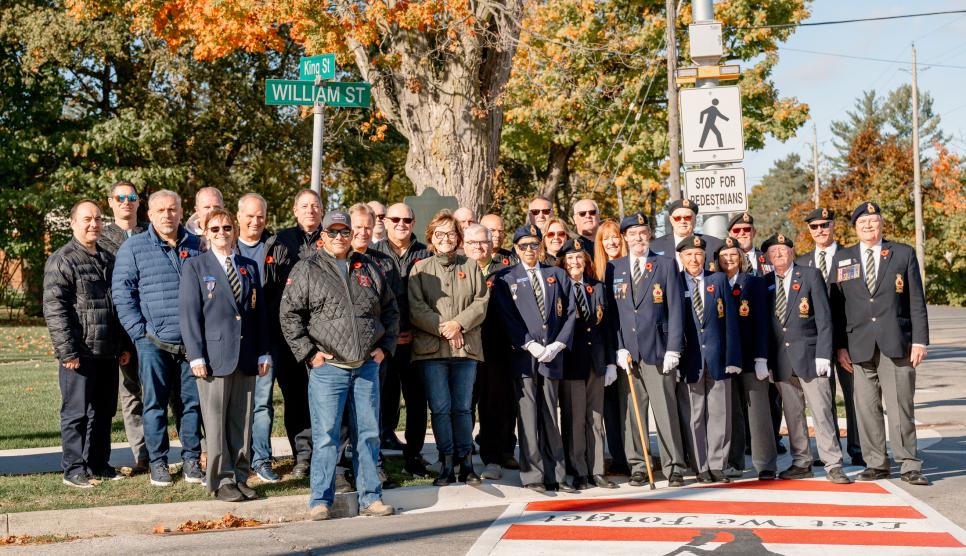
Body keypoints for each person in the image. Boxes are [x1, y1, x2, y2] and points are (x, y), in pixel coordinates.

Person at [280, 210, 400, 520]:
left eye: (343, 232)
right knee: (326, 436)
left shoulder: (369, 267)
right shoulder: (307, 269)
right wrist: (309, 353)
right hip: (328, 369)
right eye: (332, 232)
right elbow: (289, 315)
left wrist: (385, 347)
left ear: (351, 234)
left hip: (366, 367)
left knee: (368, 434)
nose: (339, 237)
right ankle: (320, 499)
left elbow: (391, 311)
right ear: (323, 236)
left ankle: (371, 497)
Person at [830, 202, 930, 486]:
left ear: (882, 224)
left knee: (901, 407)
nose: (868, 226)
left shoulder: (902, 253)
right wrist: (839, 346)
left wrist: (920, 340)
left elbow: (916, 301)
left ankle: (909, 464)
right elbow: (836, 308)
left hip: (897, 342)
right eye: (863, 223)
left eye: (873, 221)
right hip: (858, 345)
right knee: (866, 407)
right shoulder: (843, 258)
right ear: (855, 228)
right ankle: (876, 463)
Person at [113, 190, 204, 487]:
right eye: (161, 210)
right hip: (152, 342)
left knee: (190, 404)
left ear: (181, 212)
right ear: (149, 215)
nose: (167, 215)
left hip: (190, 342)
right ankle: (159, 462)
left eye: (173, 209)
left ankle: (191, 459)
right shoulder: (134, 248)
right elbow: (123, 295)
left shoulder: (197, 245)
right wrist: (140, 333)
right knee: (155, 404)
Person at [179, 208, 272, 501]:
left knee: (241, 420)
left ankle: (240, 476)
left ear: (234, 231)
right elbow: (189, 315)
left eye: (227, 228)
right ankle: (220, 480)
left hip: (246, 355)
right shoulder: (195, 266)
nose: (222, 233)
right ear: (206, 233)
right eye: (215, 229)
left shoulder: (248, 267)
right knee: (216, 422)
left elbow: (258, 315)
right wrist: (196, 356)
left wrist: (263, 352)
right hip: (213, 356)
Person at [44, 200, 128, 488]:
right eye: (86, 219)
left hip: (107, 350)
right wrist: (67, 351)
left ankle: (99, 463)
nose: (93, 224)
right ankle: (74, 469)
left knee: (104, 412)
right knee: (76, 413)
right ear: (73, 223)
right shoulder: (62, 259)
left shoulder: (107, 257)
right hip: (78, 353)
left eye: (97, 219)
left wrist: (122, 345)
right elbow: (55, 310)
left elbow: (117, 305)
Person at [493, 225, 577, 493]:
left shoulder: (557, 275)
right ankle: (533, 476)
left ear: (541, 246)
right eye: (523, 246)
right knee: (528, 417)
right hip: (523, 357)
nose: (529, 250)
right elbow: (506, 318)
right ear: (515, 249)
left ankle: (558, 474)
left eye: (534, 244)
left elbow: (571, 313)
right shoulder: (506, 278)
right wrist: (528, 343)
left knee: (551, 415)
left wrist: (559, 343)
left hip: (552, 355)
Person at [763, 234, 851, 485]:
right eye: (773, 252)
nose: (778, 254)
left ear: (792, 252)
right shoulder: (766, 282)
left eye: (783, 249)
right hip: (781, 360)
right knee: (793, 415)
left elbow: (825, 319)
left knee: (822, 412)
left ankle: (833, 464)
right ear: (768, 258)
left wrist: (825, 353)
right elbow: (765, 326)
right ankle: (801, 462)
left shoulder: (810, 276)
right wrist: (767, 361)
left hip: (812, 358)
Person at [408, 211, 489, 486]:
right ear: (431, 237)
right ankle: (445, 462)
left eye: (451, 234)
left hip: (465, 349)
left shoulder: (472, 266)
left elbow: (481, 302)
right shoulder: (420, 269)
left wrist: (459, 325)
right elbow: (416, 307)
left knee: (463, 408)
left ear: (458, 238)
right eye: (440, 234)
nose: (445, 238)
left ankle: (466, 463)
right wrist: (444, 327)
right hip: (432, 351)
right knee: (440, 408)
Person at [608, 213, 688, 488]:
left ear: (650, 234)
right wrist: (617, 347)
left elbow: (677, 309)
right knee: (633, 412)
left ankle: (674, 465)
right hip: (629, 353)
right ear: (625, 238)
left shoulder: (665, 265)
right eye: (632, 234)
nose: (638, 238)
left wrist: (674, 348)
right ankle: (639, 465)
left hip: (658, 350)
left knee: (665, 410)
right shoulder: (614, 268)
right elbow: (613, 315)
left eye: (642, 233)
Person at [796, 207, 863, 467]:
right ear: (809, 230)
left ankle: (858, 448)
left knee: (854, 395)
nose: (820, 230)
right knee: (823, 399)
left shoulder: (851, 257)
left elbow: (856, 301)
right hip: (816, 341)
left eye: (825, 225)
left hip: (848, 338)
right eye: (815, 227)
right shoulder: (802, 262)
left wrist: (844, 343)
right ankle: (829, 448)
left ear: (834, 225)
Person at [373, 203, 433, 475]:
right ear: (384, 222)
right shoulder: (373, 254)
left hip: (417, 341)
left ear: (414, 222)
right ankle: (377, 459)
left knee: (417, 402)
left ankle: (414, 455)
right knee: (380, 400)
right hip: (384, 342)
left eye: (406, 219)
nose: (401, 224)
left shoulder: (426, 254)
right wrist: (390, 335)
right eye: (394, 219)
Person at [676, 235, 742, 484]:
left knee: (719, 414)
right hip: (689, 359)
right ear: (681, 258)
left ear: (705, 257)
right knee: (693, 415)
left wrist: (732, 356)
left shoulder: (718, 280)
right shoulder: (676, 282)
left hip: (718, 358)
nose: (694, 259)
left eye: (698, 254)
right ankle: (700, 466)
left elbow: (731, 322)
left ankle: (718, 464)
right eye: (689, 255)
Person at [268, 189, 324, 479]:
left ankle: (326, 453)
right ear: (295, 210)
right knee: (295, 397)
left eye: (315, 205)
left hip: (323, 333)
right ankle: (302, 455)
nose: (310, 210)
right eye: (304, 206)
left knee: (324, 398)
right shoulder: (281, 240)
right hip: (288, 333)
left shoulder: (332, 238)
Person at [348, 202, 403, 490]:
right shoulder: (333, 260)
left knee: (372, 413)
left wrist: (387, 347)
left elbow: (393, 310)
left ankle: (374, 465)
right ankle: (344, 467)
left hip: (374, 354)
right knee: (343, 417)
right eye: (357, 227)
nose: (362, 232)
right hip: (339, 356)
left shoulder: (383, 262)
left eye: (367, 227)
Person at [97, 180, 149, 474]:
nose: (126, 202)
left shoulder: (149, 232)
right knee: (131, 394)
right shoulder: (102, 238)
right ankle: (141, 453)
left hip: (154, 324)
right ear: (111, 202)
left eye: (131, 197)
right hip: (121, 328)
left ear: (138, 201)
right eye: (120, 198)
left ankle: (167, 451)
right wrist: (118, 340)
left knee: (165, 392)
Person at [715, 238, 777, 481]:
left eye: (733, 255)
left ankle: (766, 464)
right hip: (725, 359)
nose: (729, 259)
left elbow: (763, 322)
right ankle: (734, 461)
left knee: (758, 412)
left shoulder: (753, 283)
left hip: (752, 357)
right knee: (732, 414)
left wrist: (763, 357)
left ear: (740, 258)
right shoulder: (714, 283)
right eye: (724, 256)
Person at [557, 240, 617, 490]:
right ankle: (579, 470)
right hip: (571, 362)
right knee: (575, 418)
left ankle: (597, 470)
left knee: (595, 416)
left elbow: (609, 327)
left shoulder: (597, 287)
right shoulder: (559, 289)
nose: (575, 263)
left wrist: (611, 361)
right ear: (563, 264)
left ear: (586, 262)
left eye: (579, 258)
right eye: (570, 260)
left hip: (596, 361)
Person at [235, 193, 286, 483]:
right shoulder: (225, 245)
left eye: (261, 216)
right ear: (238, 216)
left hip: (268, 338)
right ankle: (236, 457)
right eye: (250, 216)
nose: (255, 221)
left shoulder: (275, 247)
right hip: (235, 340)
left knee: (263, 402)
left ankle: (262, 458)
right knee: (235, 404)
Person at [464, 224, 517, 479]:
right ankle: (460, 457)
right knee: (465, 405)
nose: (479, 247)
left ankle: (494, 458)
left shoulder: (506, 272)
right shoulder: (459, 270)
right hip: (464, 348)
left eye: (484, 242)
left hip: (497, 348)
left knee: (496, 405)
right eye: (473, 243)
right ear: (464, 244)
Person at [593, 219, 629, 475]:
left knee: (627, 405)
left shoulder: (630, 267)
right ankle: (618, 457)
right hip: (604, 347)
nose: (612, 242)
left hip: (629, 346)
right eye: (606, 238)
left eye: (615, 236)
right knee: (609, 409)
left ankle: (634, 456)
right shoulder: (596, 272)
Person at [650, 199, 722, 270]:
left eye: (687, 217)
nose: (682, 221)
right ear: (671, 220)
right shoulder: (655, 247)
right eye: (677, 218)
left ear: (695, 220)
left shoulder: (714, 245)